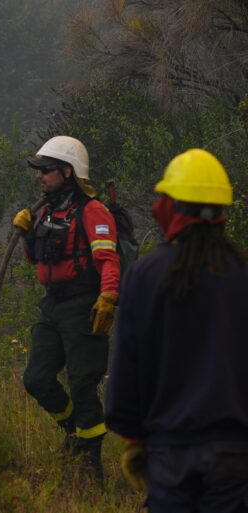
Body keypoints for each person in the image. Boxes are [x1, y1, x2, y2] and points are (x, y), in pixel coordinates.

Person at [106, 148, 248, 512]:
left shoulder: (145, 275)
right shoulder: (241, 275)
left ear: (171, 207)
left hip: (169, 453)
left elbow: (127, 364)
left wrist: (132, 436)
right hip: (235, 455)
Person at [12, 135, 121, 482]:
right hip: (52, 306)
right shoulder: (46, 212)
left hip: (82, 306)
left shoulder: (93, 211)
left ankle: (92, 465)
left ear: (68, 172)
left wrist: (107, 299)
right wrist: (28, 235)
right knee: (37, 379)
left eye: (45, 170)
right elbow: (35, 261)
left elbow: (108, 260)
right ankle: (74, 432)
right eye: (38, 171)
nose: (39, 176)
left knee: (82, 385)